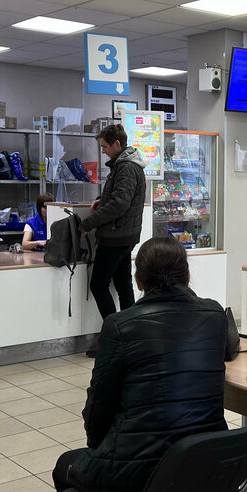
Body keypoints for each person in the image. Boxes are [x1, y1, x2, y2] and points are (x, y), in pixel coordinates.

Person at [52, 237, 240, 492]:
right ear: (188, 274)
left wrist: (100, 448)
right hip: (206, 479)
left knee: (68, 469)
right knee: (154, 459)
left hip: (145, 483)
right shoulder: (215, 314)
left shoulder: (121, 326)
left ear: (138, 281)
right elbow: (230, 347)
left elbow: (98, 410)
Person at [81, 124, 147, 349]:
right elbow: (119, 196)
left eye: (105, 146)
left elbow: (120, 203)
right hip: (125, 235)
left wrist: (88, 223)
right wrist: (103, 199)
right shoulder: (125, 165)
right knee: (123, 285)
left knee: (99, 285)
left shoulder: (126, 167)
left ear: (117, 144)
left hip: (115, 236)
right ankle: (130, 337)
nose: (103, 151)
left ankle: (114, 338)